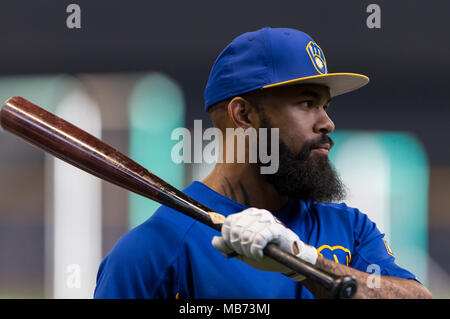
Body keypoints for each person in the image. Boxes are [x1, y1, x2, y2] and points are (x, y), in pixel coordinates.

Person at [94, 27, 432, 299]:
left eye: (325, 105)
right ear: (243, 115)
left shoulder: (350, 230)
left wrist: (305, 263)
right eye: (306, 102)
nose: (327, 123)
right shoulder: (153, 250)